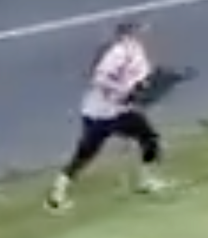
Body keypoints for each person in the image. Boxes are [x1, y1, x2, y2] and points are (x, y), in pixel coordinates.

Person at [46, 21, 170, 211]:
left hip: (120, 112)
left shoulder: (136, 52)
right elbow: (100, 78)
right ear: (124, 36)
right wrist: (123, 90)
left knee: (149, 138)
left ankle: (145, 181)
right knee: (85, 155)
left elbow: (140, 80)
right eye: (135, 32)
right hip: (100, 115)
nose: (139, 35)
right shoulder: (117, 53)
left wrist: (139, 89)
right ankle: (56, 196)